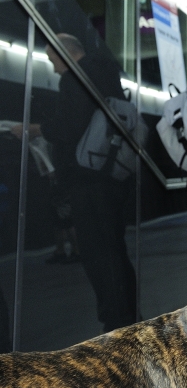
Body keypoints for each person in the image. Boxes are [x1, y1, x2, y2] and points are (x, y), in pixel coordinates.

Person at [22, 34, 138, 331]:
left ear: (65, 54)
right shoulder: (106, 76)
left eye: (52, 60)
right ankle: (126, 313)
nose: (54, 68)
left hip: (87, 177)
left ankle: (115, 320)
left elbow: (70, 126)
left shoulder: (76, 80)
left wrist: (37, 129)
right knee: (114, 247)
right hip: (110, 173)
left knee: (97, 251)